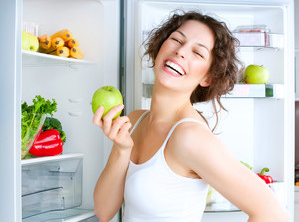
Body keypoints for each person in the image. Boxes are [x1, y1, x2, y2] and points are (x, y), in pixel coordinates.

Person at [92, 11, 289, 222]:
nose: (181, 51)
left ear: (208, 77)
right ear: (160, 48)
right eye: (176, 39)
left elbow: (272, 213)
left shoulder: (190, 136)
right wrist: (123, 149)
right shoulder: (135, 120)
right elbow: (104, 211)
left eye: (198, 53)